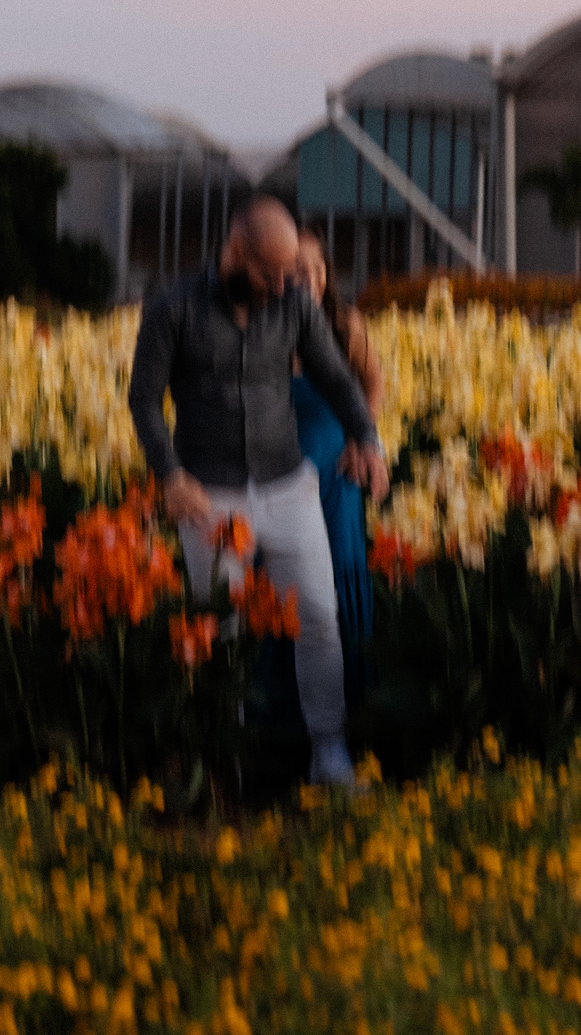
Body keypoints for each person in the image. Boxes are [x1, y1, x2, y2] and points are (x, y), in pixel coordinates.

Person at [127, 196, 390, 787]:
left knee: (319, 615)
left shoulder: (295, 304)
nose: (283, 284)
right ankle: (230, 758)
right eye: (269, 272)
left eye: (289, 270)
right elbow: (144, 400)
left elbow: (336, 378)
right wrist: (169, 474)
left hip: (288, 487)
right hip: (208, 495)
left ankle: (328, 750)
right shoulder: (173, 309)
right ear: (233, 254)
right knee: (224, 631)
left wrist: (367, 438)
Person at [292, 226, 382, 706]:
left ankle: (349, 712)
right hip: (284, 482)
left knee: (338, 573)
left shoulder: (343, 323)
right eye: (299, 268)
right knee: (290, 587)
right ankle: (286, 717)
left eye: (319, 267)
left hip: (337, 474)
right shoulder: (265, 329)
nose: (312, 277)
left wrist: (362, 441)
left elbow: (373, 383)